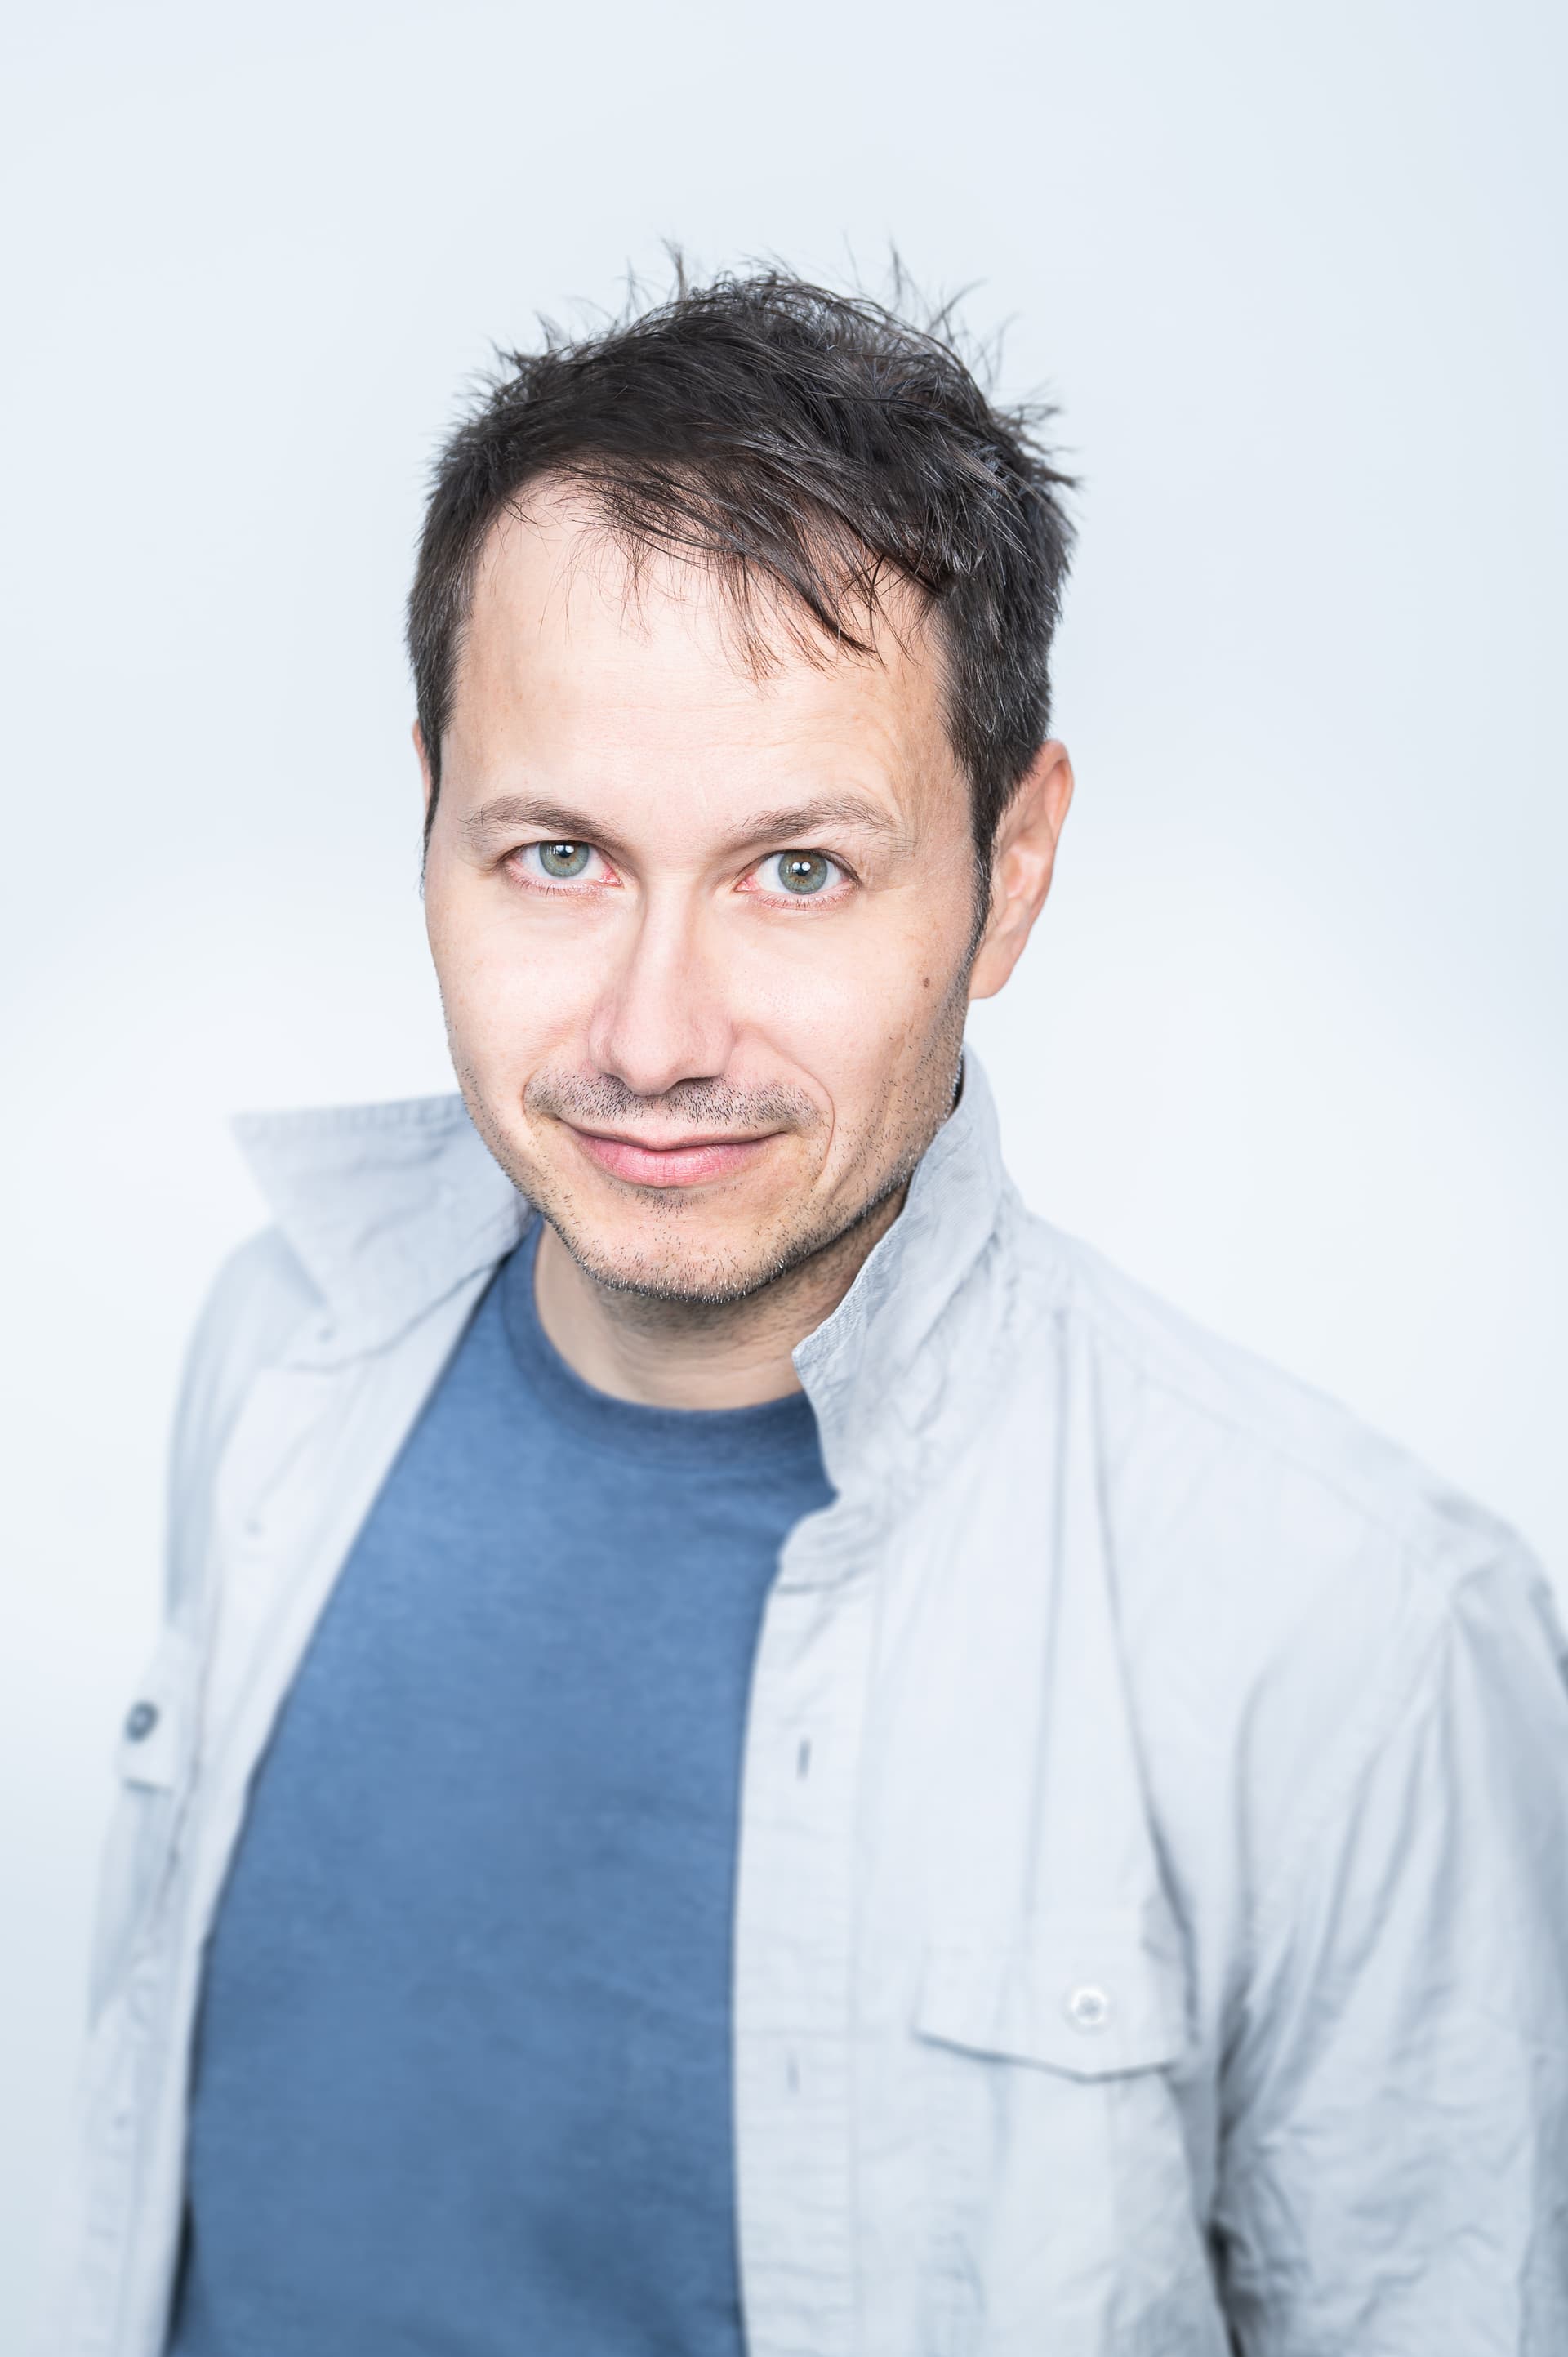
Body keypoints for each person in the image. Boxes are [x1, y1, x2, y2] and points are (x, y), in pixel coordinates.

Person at [39, 270, 1568, 2357]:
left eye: (801, 873)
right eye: (559, 857)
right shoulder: (275, 1357)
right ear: (431, 820)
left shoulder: (1359, 1643)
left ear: (1014, 867)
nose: (656, 1037)